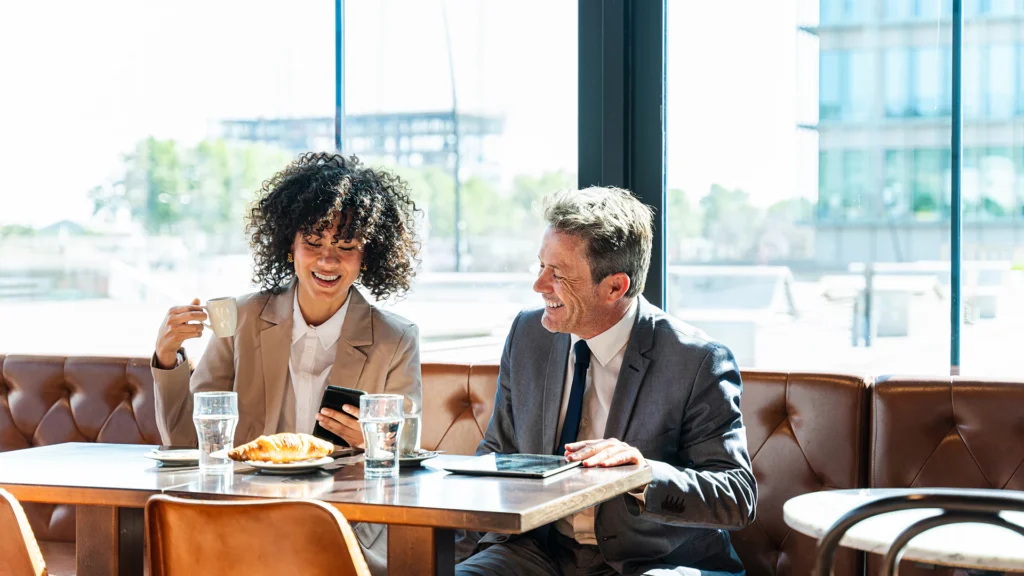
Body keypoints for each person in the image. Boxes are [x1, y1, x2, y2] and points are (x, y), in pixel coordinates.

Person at [456, 187, 757, 576]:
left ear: (615, 286)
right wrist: (456, 560)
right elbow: (498, 452)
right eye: (541, 266)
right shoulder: (528, 334)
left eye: (559, 274)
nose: (539, 285)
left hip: (650, 563)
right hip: (535, 551)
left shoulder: (697, 360)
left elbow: (737, 496)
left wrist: (644, 473)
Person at [151, 152, 421, 576]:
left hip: (344, 527)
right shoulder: (238, 320)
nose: (327, 261)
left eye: (345, 247)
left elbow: (409, 453)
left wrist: (379, 442)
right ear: (289, 247)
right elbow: (188, 440)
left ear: (367, 256)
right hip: (241, 517)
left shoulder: (396, 338)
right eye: (313, 244)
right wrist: (168, 358)